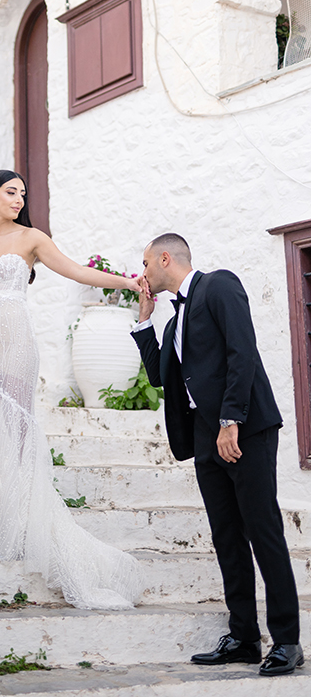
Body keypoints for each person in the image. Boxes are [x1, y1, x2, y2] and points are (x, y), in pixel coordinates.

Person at [0, 169, 142, 610]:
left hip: (15, 349)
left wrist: (127, 282)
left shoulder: (31, 239)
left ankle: (21, 523)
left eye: (22, 193)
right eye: (10, 192)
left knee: (17, 437)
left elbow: (76, 271)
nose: (19, 199)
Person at [131, 233, 303, 677]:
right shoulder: (173, 323)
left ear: (165, 258)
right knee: (227, 536)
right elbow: (160, 377)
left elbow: (241, 351)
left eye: (146, 263)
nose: (142, 273)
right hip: (205, 437)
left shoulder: (219, 285)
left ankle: (287, 640)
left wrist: (231, 420)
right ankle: (244, 638)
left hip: (244, 429)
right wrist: (144, 321)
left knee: (263, 530)